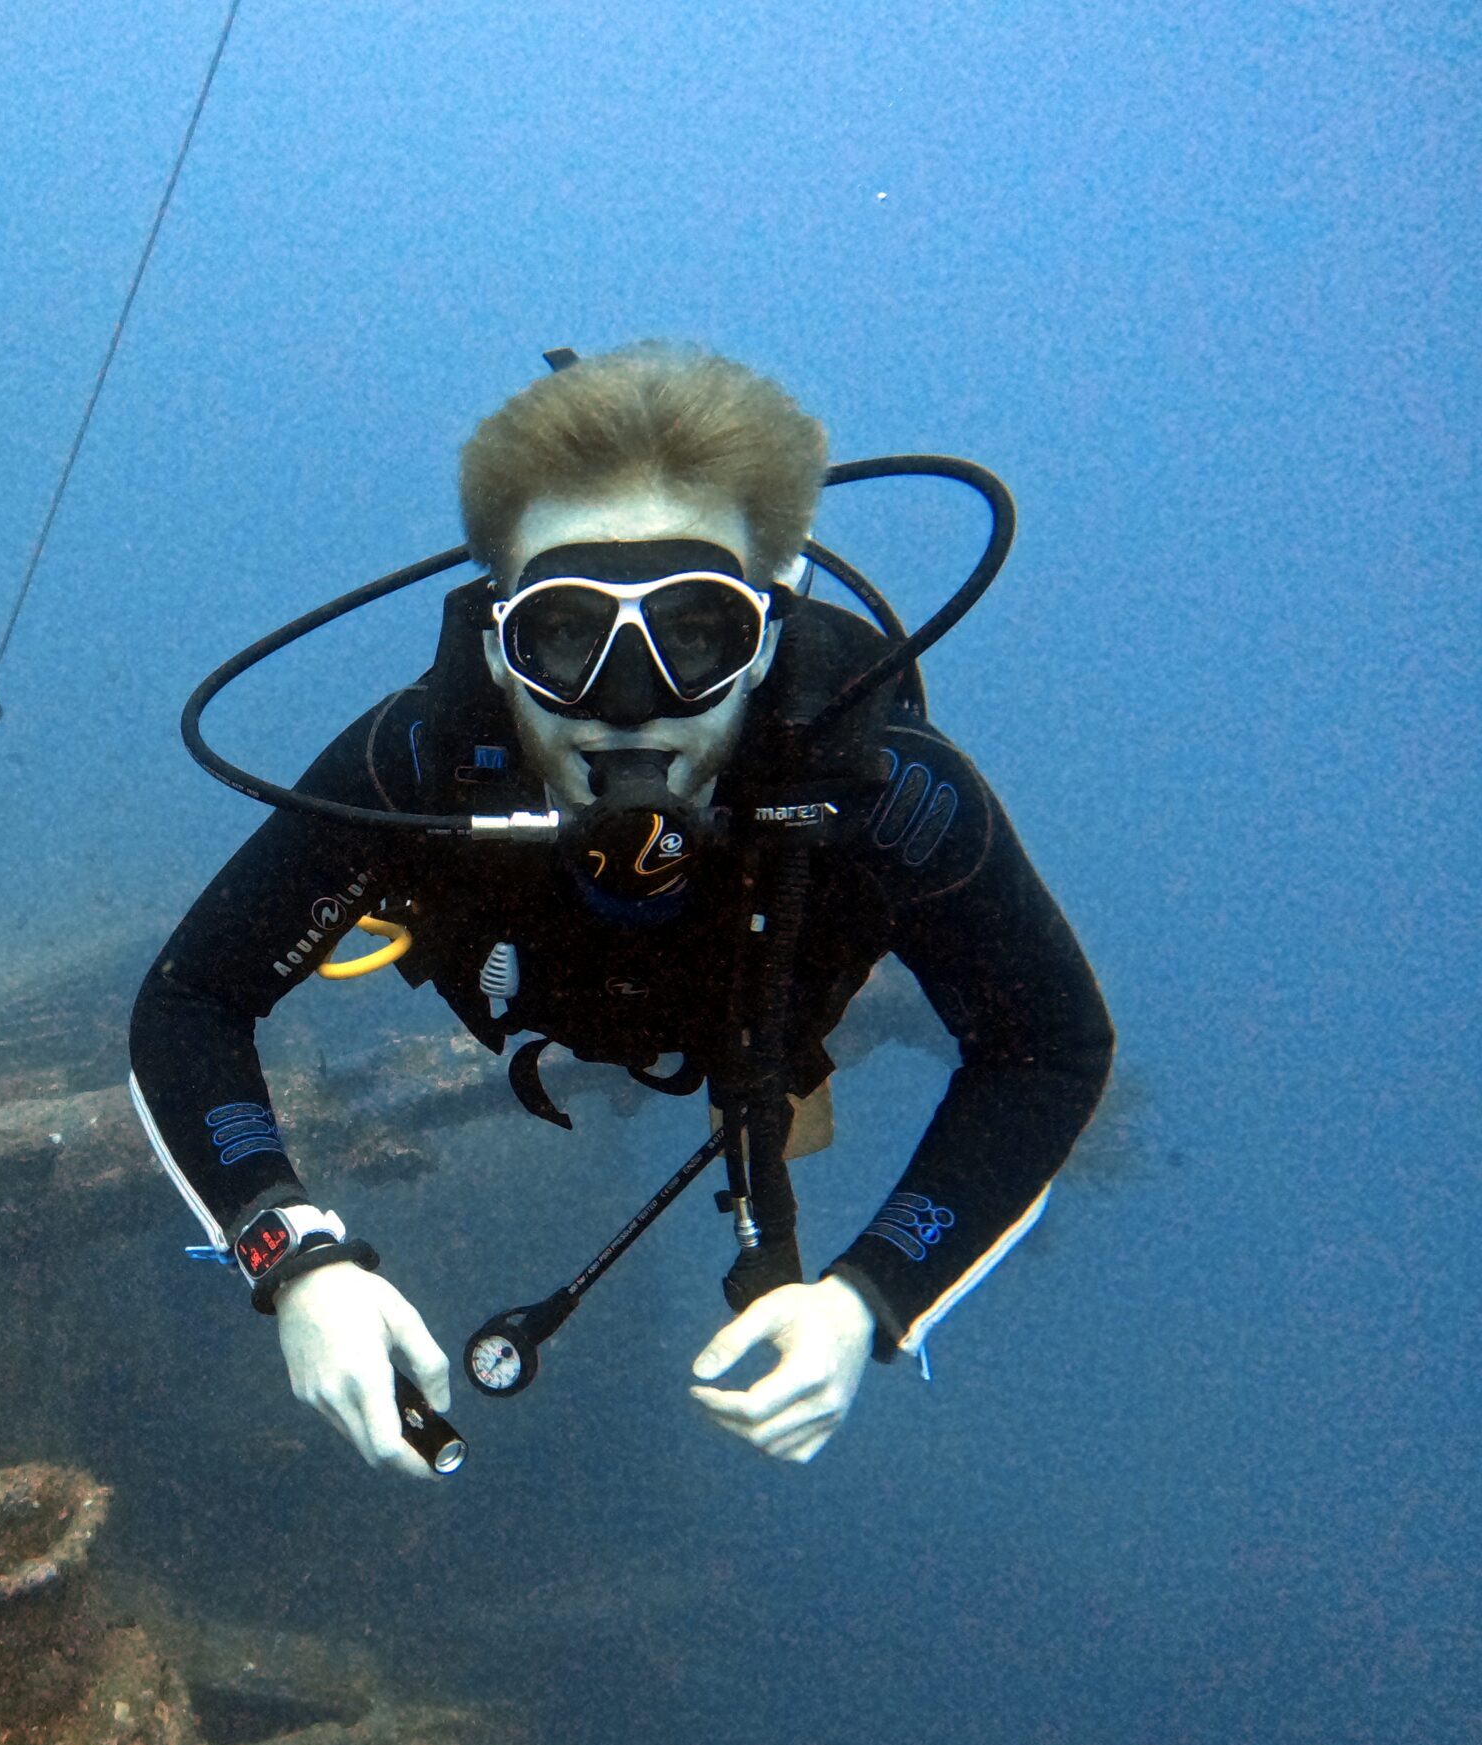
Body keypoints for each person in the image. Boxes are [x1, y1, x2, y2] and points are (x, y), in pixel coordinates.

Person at [126, 343, 1114, 1478]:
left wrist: (873, 1293)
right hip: (544, 982)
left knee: (797, 1077)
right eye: (567, 633)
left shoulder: (886, 791)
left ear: (769, 632)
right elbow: (192, 1000)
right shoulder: (421, 761)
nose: (629, 705)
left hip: (764, 1002)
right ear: (499, 639)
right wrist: (291, 1254)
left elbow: (1046, 1048)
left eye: (695, 632)